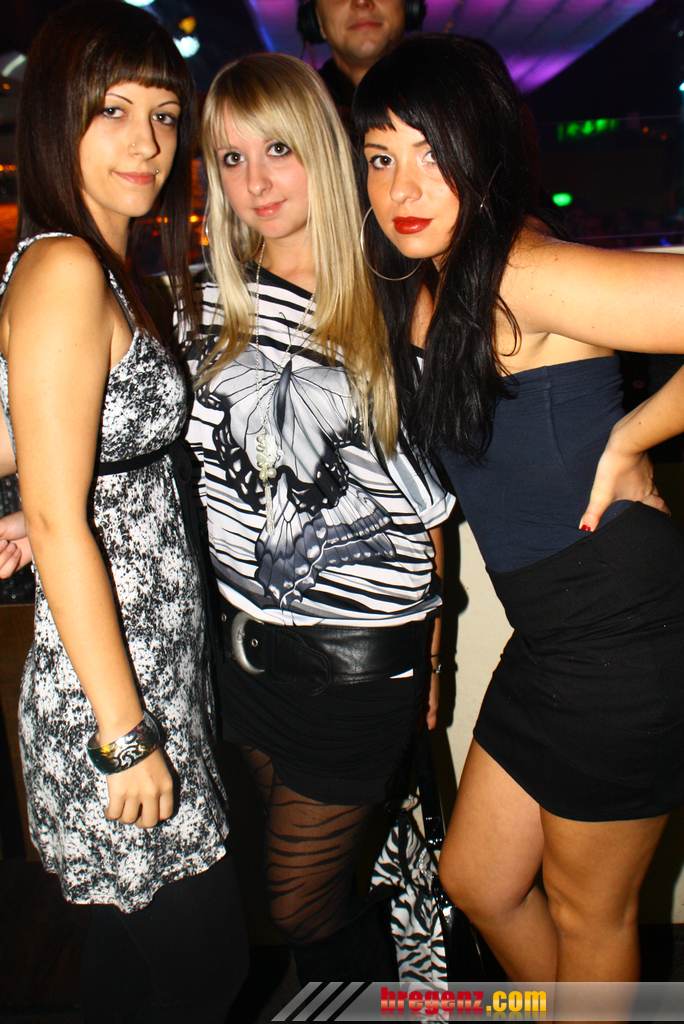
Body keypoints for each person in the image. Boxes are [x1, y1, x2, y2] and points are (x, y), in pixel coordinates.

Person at [353, 33, 684, 990]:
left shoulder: (519, 270)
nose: (404, 187)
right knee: (479, 880)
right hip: (551, 637)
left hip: (620, 637)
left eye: (433, 153)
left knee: (590, 914)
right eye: (382, 157)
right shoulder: (432, 276)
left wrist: (634, 437)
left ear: (486, 148)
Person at [181, 51, 453, 984]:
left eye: (279, 150)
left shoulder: (397, 294)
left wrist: (433, 659)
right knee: (309, 892)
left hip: (357, 659)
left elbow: (429, 509)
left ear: (323, 152)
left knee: (300, 903)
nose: (255, 182)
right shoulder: (198, 302)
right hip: (246, 655)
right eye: (230, 158)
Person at [0, 3, 248, 1021]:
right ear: (57, 117)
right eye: (113, 109)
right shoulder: (65, 267)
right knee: (202, 969)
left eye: (164, 114)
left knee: (132, 972)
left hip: (149, 664)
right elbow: (63, 519)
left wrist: (25, 501)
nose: (147, 141)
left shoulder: (104, 269)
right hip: (109, 690)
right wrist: (124, 733)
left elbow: (41, 449)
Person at [296, 0, 425, 121]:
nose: (361, 2)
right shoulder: (299, 110)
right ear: (317, 18)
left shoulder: (437, 92)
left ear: (409, 5)